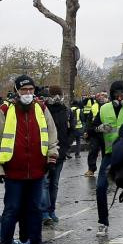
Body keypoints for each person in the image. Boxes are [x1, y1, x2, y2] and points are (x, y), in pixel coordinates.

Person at [0, 75, 59, 244]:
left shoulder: (42, 109)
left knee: (36, 209)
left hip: (37, 170)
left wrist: (52, 157)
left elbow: (51, 135)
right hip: (14, 171)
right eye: (24, 90)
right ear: (17, 91)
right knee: (12, 210)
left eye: (30, 90)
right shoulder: (4, 110)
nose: (28, 93)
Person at [94, 80, 123, 239]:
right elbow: (91, 128)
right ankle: (103, 222)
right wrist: (99, 128)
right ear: (112, 95)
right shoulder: (104, 108)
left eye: (122, 94)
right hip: (110, 153)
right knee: (100, 187)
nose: (119, 97)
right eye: (116, 94)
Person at [43, 86, 72, 225]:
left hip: (60, 152)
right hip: (45, 152)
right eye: (54, 95)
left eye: (58, 95)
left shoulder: (66, 111)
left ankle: (51, 210)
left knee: (53, 183)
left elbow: (73, 130)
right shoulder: (43, 110)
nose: (56, 98)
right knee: (45, 183)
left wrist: (66, 146)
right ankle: (44, 212)